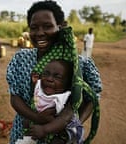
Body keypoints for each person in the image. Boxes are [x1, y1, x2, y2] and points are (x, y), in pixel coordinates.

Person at [6, 1, 102, 144]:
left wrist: (71, 126)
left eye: (47, 26)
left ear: (61, 26)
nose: (39, 33)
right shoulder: (21, 59)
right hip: (24, 133)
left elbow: (93, 97)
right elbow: (15, 98)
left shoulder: (78, 64)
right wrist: (37, 118)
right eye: (34, 28)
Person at [26, 60, 83, 144]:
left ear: (67, 84)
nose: (49, 79)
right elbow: (35, 92)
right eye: (46, 74)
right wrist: (33, 83)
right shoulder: (40, 86)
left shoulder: (65, 98)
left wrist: (44, 130)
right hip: (41, 126)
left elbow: (64, 119)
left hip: (60, 131)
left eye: (57, 77)